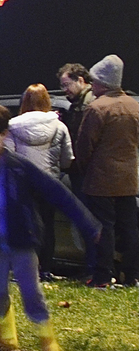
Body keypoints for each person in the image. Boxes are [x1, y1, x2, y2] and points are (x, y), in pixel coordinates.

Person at [0, 103, 101, 351]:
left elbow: (58, 193)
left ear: (4, 134)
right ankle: (5, 325)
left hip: (23, 242)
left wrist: (88, 224)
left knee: (32, 292)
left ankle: (48, 342)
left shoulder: (20, 167)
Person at [73, 54, 139, 287]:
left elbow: (84, 146)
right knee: (130, 228)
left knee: (104, 229)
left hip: (101, 179)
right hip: (129, 179)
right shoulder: (134, 106)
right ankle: (132, 275)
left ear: (103, 83)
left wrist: (84, 168)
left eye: (95, 81)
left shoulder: (97, 108)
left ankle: (103, 275)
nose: (92, 85)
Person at [8, 83, 75, 280]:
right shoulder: (60, 126)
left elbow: (8, 156)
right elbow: (67, 159)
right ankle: (46, 269)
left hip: (22, 185)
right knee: (47, 225)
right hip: (49, 183)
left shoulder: (13, 126)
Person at [57, 63, 94, 192]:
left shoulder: (89, 103)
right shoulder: (79, 102)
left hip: (86, 170)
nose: (64, 89)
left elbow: (86, 137)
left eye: (67, 84)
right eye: (62, 86)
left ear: (80, 80)